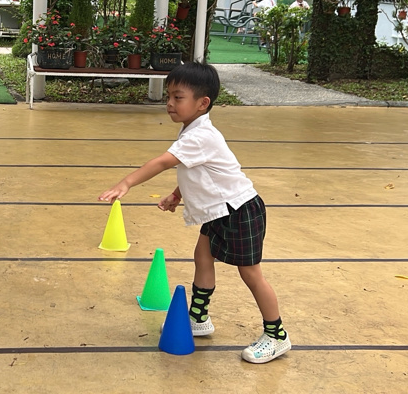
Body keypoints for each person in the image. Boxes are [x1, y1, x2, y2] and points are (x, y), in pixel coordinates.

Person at [98, 62, 291, 364]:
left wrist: (126, 183)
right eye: (169, 96)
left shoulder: (201, 135)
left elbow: (164, 162)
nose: (170, 103)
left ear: (202, 103)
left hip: (239, 210)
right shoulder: (192, 129)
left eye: (178, 97)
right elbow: (196, 171)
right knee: (202, 256)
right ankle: (198, 318)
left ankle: (277, 335)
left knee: (251, 274)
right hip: (219, 211)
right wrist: (177, 195)